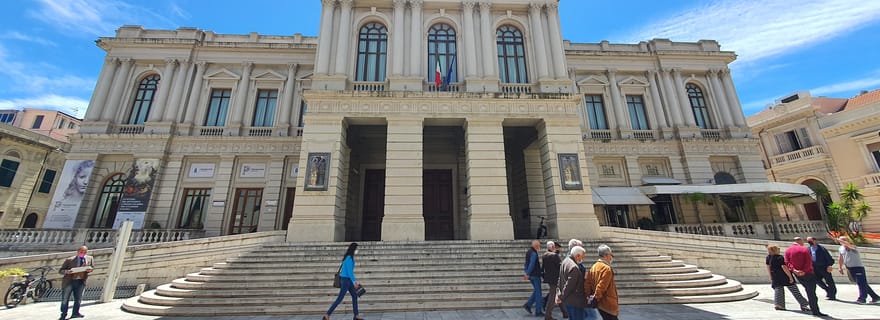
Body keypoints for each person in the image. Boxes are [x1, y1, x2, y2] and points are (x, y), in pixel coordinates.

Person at [785, 237, 827, 317]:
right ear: (800, 241)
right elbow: (809, 262)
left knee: (808, 290)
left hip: (798, 275)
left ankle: (812, 308)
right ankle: (815, 310)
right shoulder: (804, 249)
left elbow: (787, 262)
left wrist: (794, 270)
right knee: (811, 293)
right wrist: (804, 270)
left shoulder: (788, 251)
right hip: (808, 273)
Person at [836, 236, 880, 304]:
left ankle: (862, 298)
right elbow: (841, 258)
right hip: (850, 268)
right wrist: (840, 267)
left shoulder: (853, 247)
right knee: (863, 283)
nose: (842, 242)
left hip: (858, 268)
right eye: (841, 241)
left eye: (844, 240)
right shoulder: (841, 248)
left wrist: (838, 239)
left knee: (861, 283)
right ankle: (875, 297)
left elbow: (848, 245)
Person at [325, 243, 363, 320]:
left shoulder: (349, 257)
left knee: (354, 296)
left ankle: (356, 316)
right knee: (340, 298)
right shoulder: (349, 258)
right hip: (345, 280)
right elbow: (349, 272)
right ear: (353, 249)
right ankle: (327, 314)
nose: (357, 251)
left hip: (347, 280)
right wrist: (354, 282)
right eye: (356, 249)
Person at [766, 244, 808, 311]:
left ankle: (779, 305)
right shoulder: (780, 257)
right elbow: (784, 267)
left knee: (778, 291)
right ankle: (804, 304)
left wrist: (771, 276)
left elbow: (768, 267)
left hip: (775, 276)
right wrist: (790, 277)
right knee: (795, 290)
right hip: (784, 276)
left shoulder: (768, 257)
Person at [58, 246, 94, 320]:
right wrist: (66, 272)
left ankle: (75, 313)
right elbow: (61, 270)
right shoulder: (69, 260)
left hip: (81, 281)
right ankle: (63, 314)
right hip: (69, 281)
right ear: (78, 252)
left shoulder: (90, 258)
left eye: (85, 252)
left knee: (78, 299)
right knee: (65, 299)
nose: (83, 254)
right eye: (81, 252)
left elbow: (92, 267)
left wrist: (90, 270)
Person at [585, 244, 619, 320]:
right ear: (606, 255)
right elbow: (601, 286)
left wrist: (590, 296)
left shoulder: (594, 266)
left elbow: (588, 283)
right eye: (611, 255)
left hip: (600, 304)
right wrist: (596, 296)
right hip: (608, 303)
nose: (611, 258)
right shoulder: (606, 268)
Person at [557, 246, 589, 320]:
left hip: (569, 300)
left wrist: (559, 294)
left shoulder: (565, 261)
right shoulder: (574, 267)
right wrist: (561, 296)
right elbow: (569, 285)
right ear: (577, 255)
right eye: (582, 257)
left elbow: (560, 279)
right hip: (575, 301)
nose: (582, 259)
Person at [542, 241, 568, 320]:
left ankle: (565, 312)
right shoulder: (554, 256)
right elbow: (560, 266)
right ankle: (548, 315)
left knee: (558, 294)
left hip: (549, 278)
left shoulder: (544, 255)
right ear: (553, 247)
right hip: (556, 278)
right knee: (553, 296)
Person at [523, 240, 544, 316]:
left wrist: (526, 272)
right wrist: (527, 274)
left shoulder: (529, 252)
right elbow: (531, 264)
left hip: (532, 275)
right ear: (536, 245)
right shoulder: (534, 253)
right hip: (535, 275)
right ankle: (538, 311)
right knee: (538, 293)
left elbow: (526, 263)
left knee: (536, 291)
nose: (539, 246)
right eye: (539, 245)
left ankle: (528, 305)